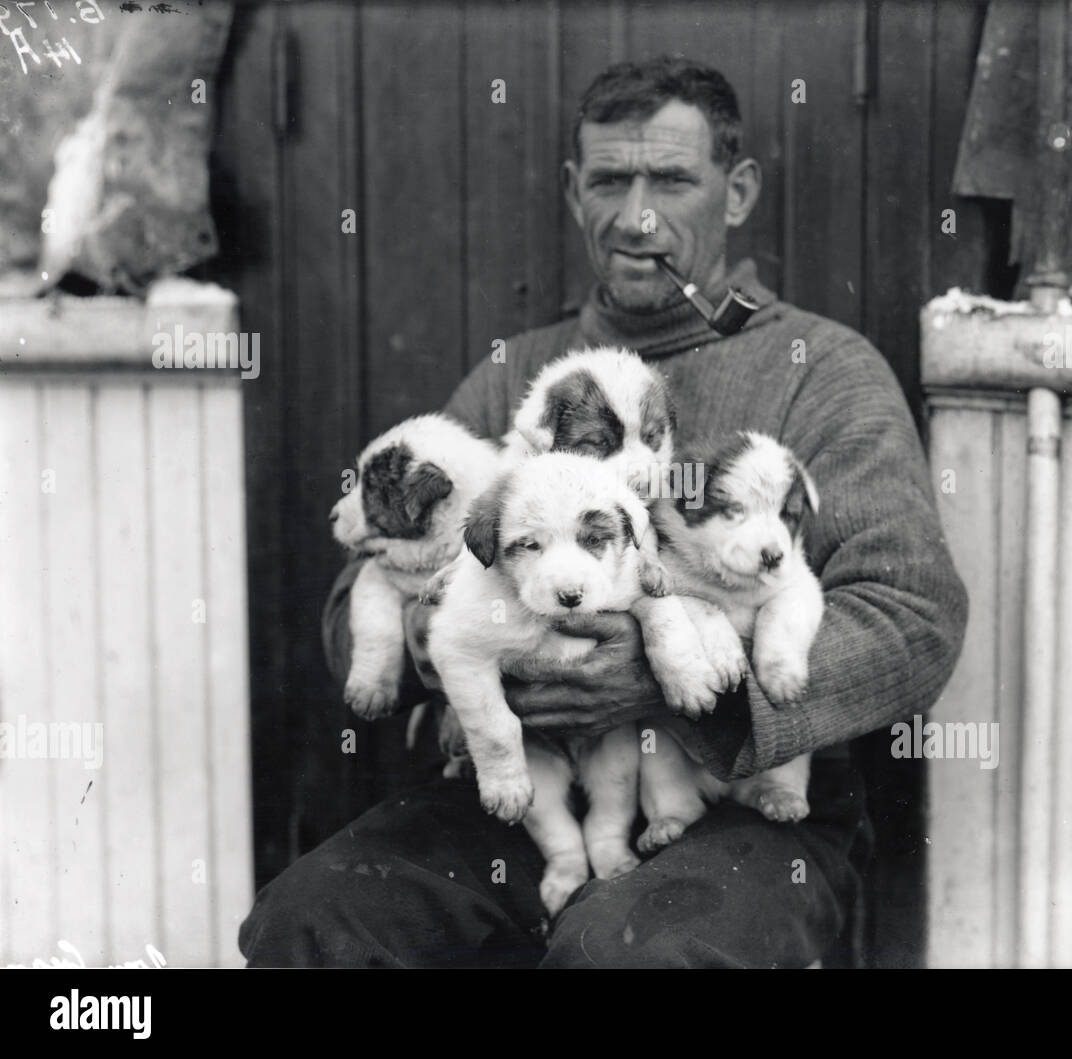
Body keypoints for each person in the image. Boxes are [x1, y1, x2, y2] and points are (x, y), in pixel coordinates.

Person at [238, 56, 968, 969]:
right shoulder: (521, 371)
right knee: (315, 918)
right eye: (611, 180)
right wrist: (442, 637)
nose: (637, 216)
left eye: (671, 179)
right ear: (574, 190)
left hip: (741, 801)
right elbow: (364, 589)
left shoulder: (821, 370)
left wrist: (676, 681)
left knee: (629, 955)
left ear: (737, 192)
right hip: (526, 783)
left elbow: (915, 617)